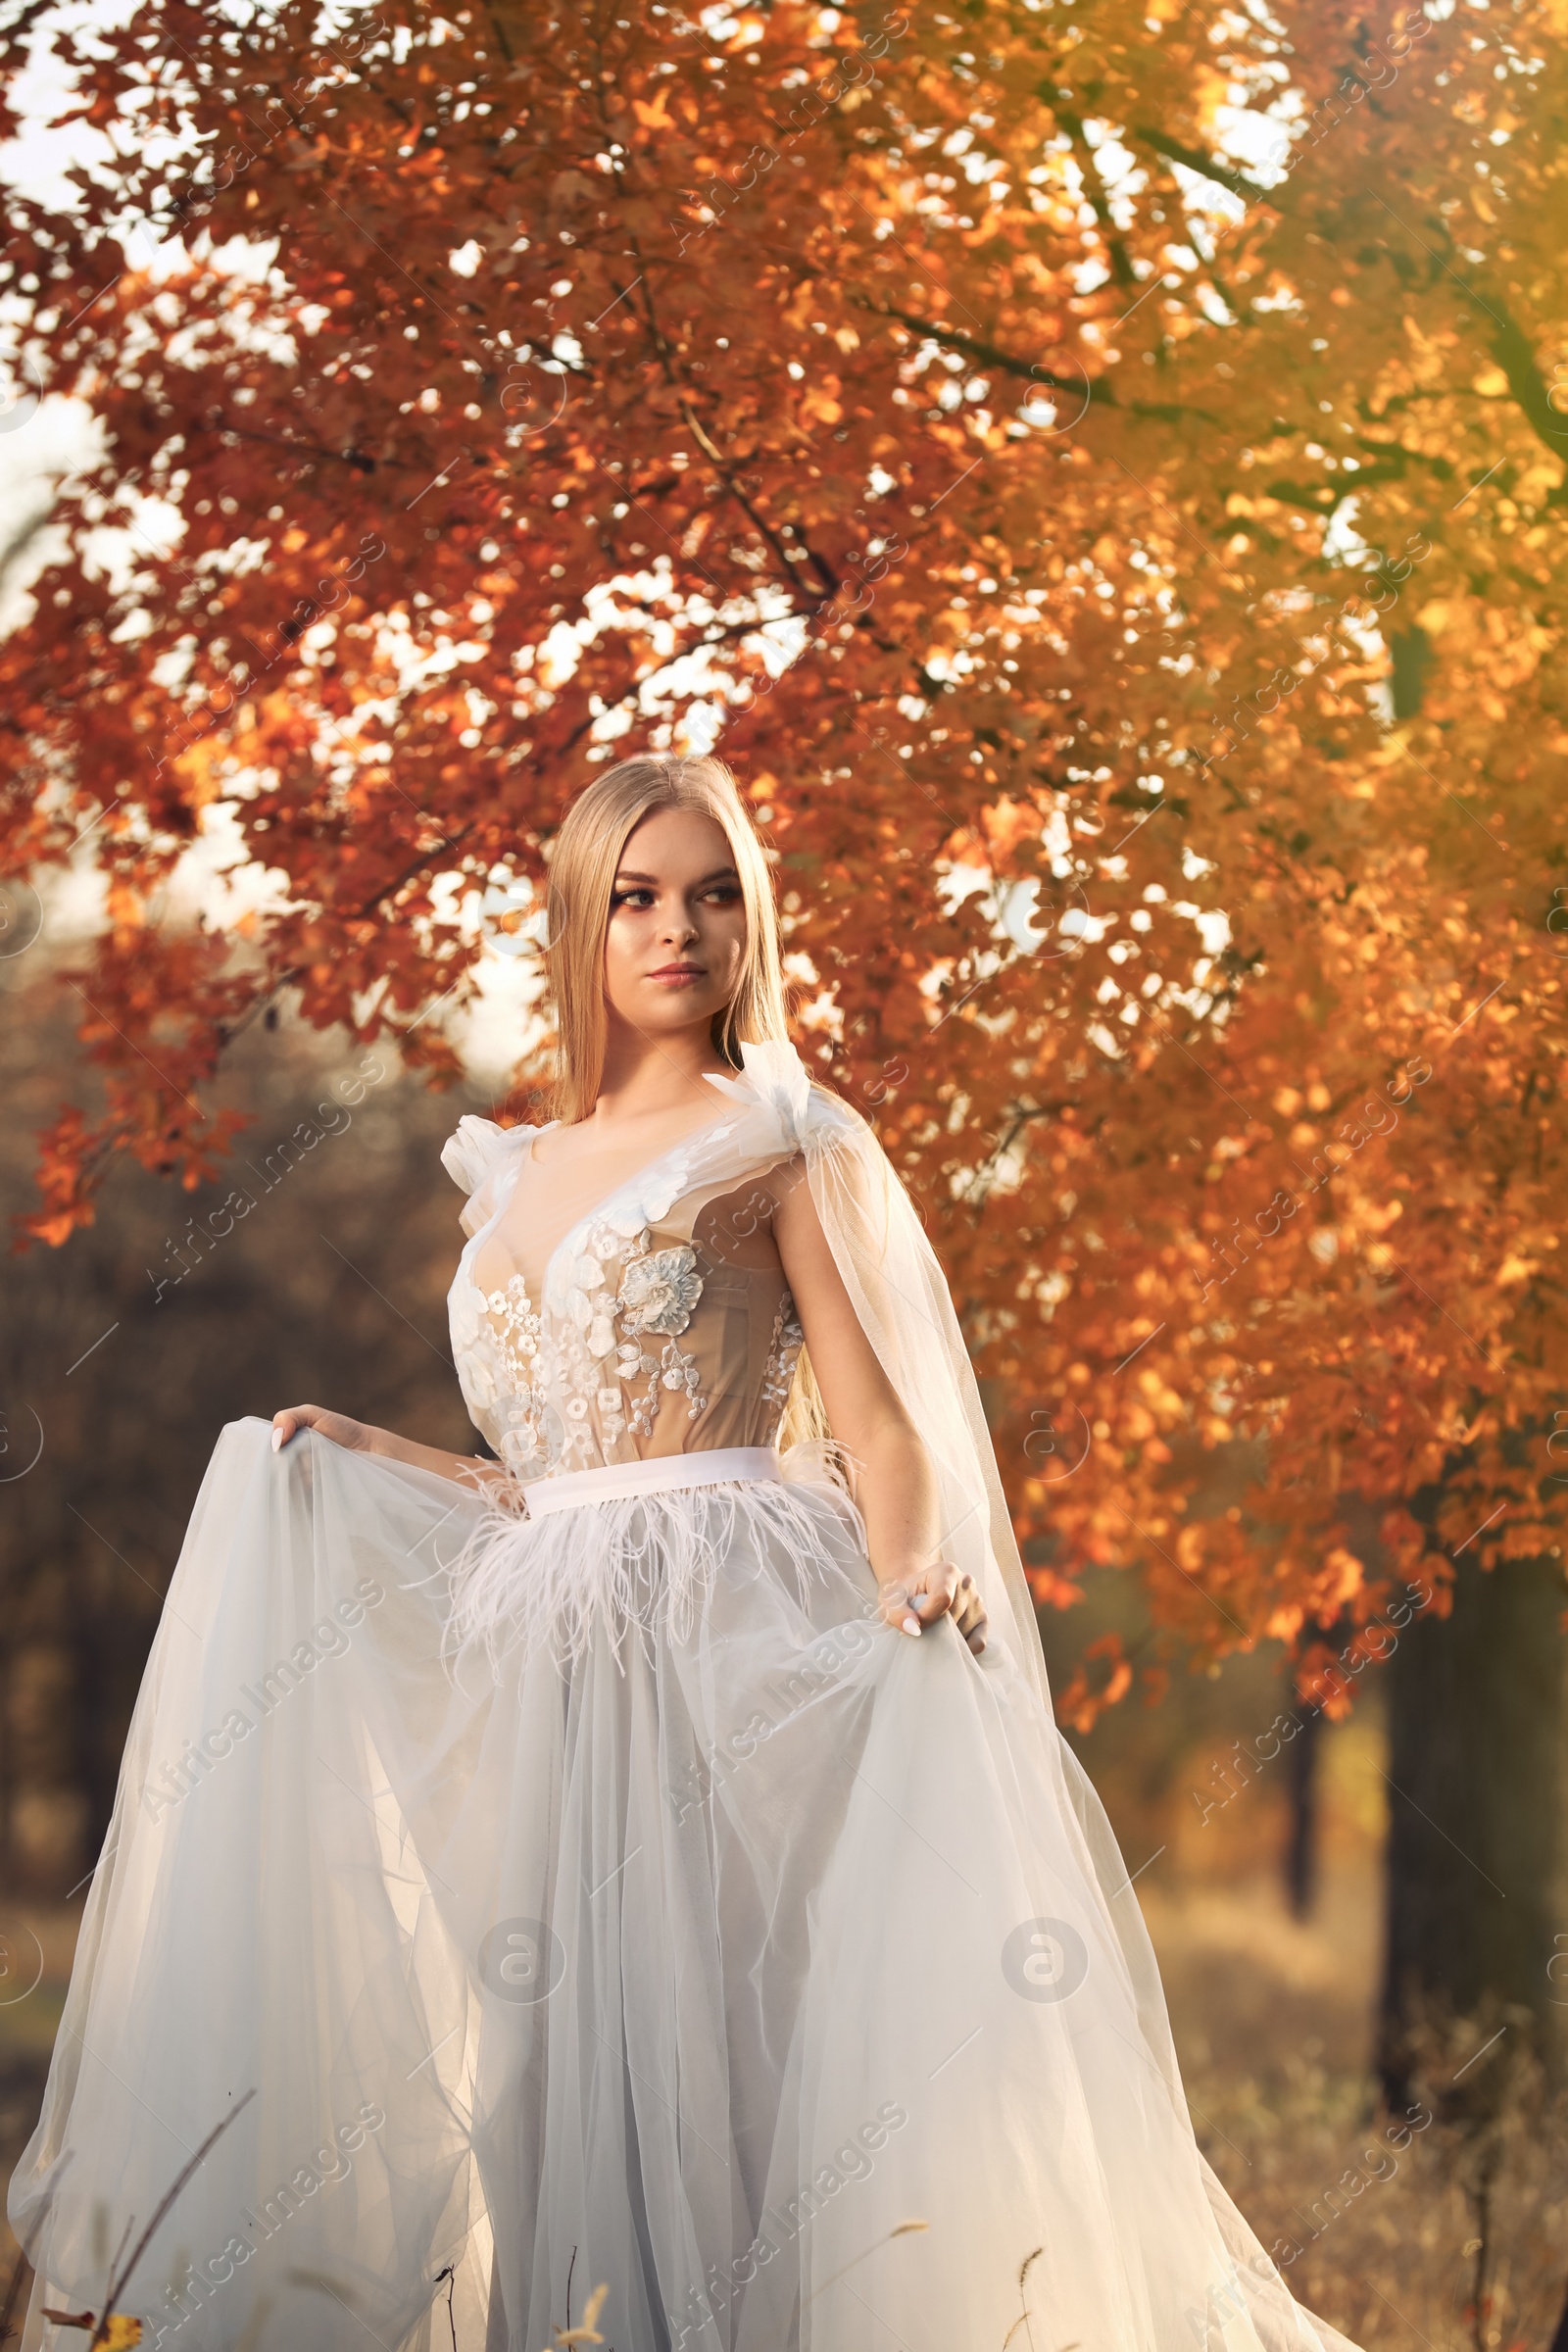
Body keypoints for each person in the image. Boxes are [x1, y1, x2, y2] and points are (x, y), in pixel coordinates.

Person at [8, 755, 1362, 2352]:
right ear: (583, 920)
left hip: (736, 1646)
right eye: (639, 897)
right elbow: (554, 1481)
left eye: (717, 895)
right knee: (543, 2071)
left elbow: (886, 1424)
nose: (680, 930)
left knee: (733, 2065)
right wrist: (377, 1458)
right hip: (549, 1670)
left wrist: (914, 1580)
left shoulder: (781, 1138)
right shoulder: (506, 1170)